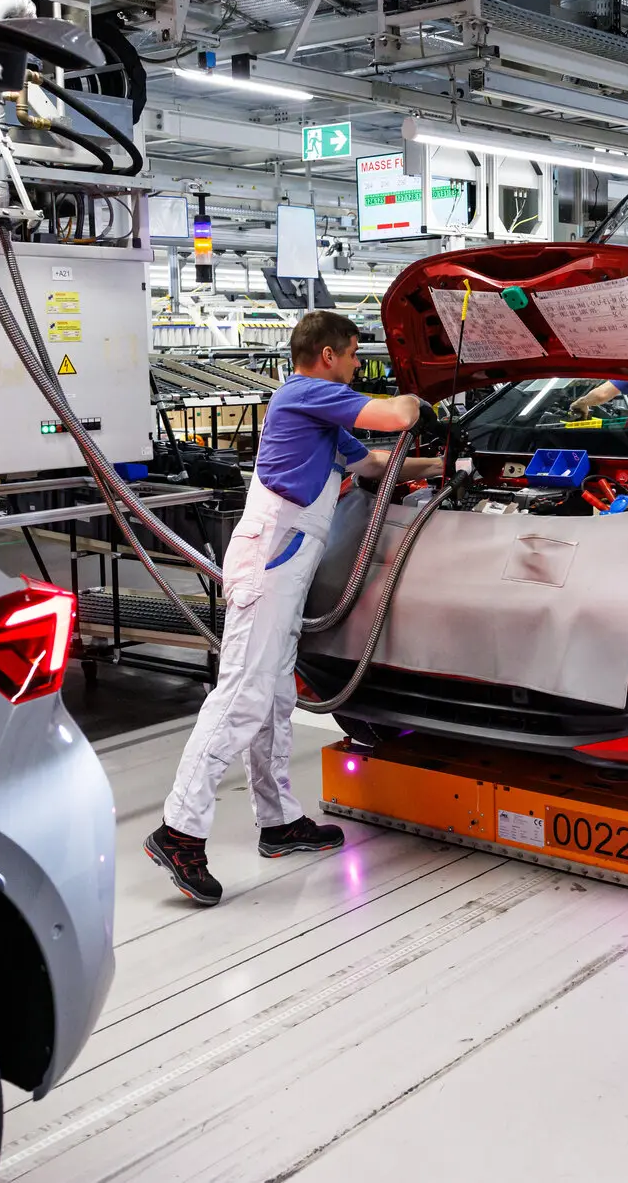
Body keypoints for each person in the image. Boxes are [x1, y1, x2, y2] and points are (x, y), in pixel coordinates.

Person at [146, 311, 443, 905]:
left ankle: (278, 821)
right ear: (328, 355)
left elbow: (377, 463)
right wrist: (419, 398)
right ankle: (179, 829)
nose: (358, 366)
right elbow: (395, 416)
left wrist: (439, 467)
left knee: (278, 697)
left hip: (287, 562)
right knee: (243, 694)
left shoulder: (323, 418)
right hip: (270, 559)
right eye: (356, 355)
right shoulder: (304, 394)